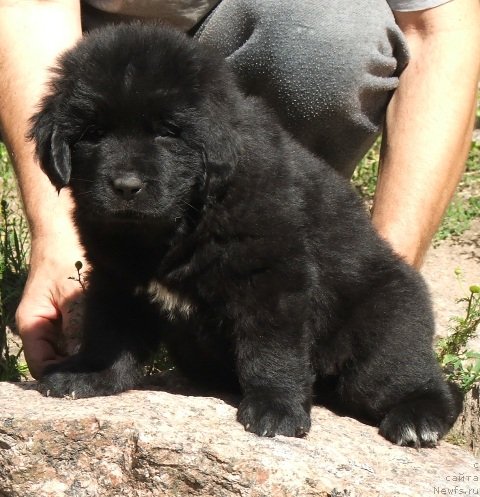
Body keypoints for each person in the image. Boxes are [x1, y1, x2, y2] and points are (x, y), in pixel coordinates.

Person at [0, 0, 479, 380]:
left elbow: (441, 29)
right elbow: (28, 7)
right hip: (94, 41)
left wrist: (378, 270)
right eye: (97, 137)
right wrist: (54, 241)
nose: (125, 172)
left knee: (325, 38)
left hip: (255, 88)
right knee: (130, 266)